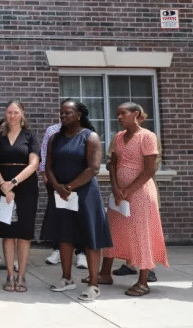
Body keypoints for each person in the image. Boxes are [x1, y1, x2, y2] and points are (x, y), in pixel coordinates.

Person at [42, 99, 112, 302]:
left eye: (68, 113)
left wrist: (69, 187)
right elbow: (48, 165)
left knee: (90, 237)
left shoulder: (90, 137)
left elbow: (94, 168)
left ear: (79, 115)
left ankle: (93, 284)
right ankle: (66, 278)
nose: (63, 116)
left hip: (85, 194)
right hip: (62, 194)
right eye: (61, 113)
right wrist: (57, 187)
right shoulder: (55, 138)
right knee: (64, 236)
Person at [98, 102, 168, 297]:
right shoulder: (118, 137)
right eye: (117, 114)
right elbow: (112, 164)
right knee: (114, 229)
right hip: (120, 193)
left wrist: (127, 191)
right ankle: (105, 273)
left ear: (135, 114)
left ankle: (143, 280)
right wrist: (115, 187)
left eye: (123, 113)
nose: (118, 117)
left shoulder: (147, 136)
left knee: (141, 233)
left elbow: (149, 170)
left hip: (141, 193)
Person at [0, 99, 40, 292]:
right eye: (9, 112)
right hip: (2, 186)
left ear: (22, 114)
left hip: (25, 187)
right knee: (8, 233)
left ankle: (22, 276)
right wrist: (3, 185)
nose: (12, 116)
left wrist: (13, 183)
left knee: (24, 233)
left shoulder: (30, 136)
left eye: (16, 112)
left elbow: (34, 164)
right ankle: (10, 275)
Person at [40, 123, 88, 270]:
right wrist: (44, 173)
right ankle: (57, 249)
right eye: (63, 113)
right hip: (56, 181)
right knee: (59, 217)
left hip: (78, 181)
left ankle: (81, 252)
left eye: (69, 112)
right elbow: (44, 152)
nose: (66, 116)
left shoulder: (85, 131)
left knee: (78, 216)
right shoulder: (52, 131)